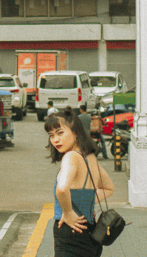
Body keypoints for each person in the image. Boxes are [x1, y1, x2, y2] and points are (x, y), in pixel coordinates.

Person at [45, 106, 114, 257]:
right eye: (51, 135)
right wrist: (84, 203)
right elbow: (108, 188)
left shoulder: (70, 157)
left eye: (60, 133)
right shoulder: (90, 157)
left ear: (75, 132)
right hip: (90, 231)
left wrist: (68, 212)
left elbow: (62, 189)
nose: (55, 140)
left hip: (70, 232)